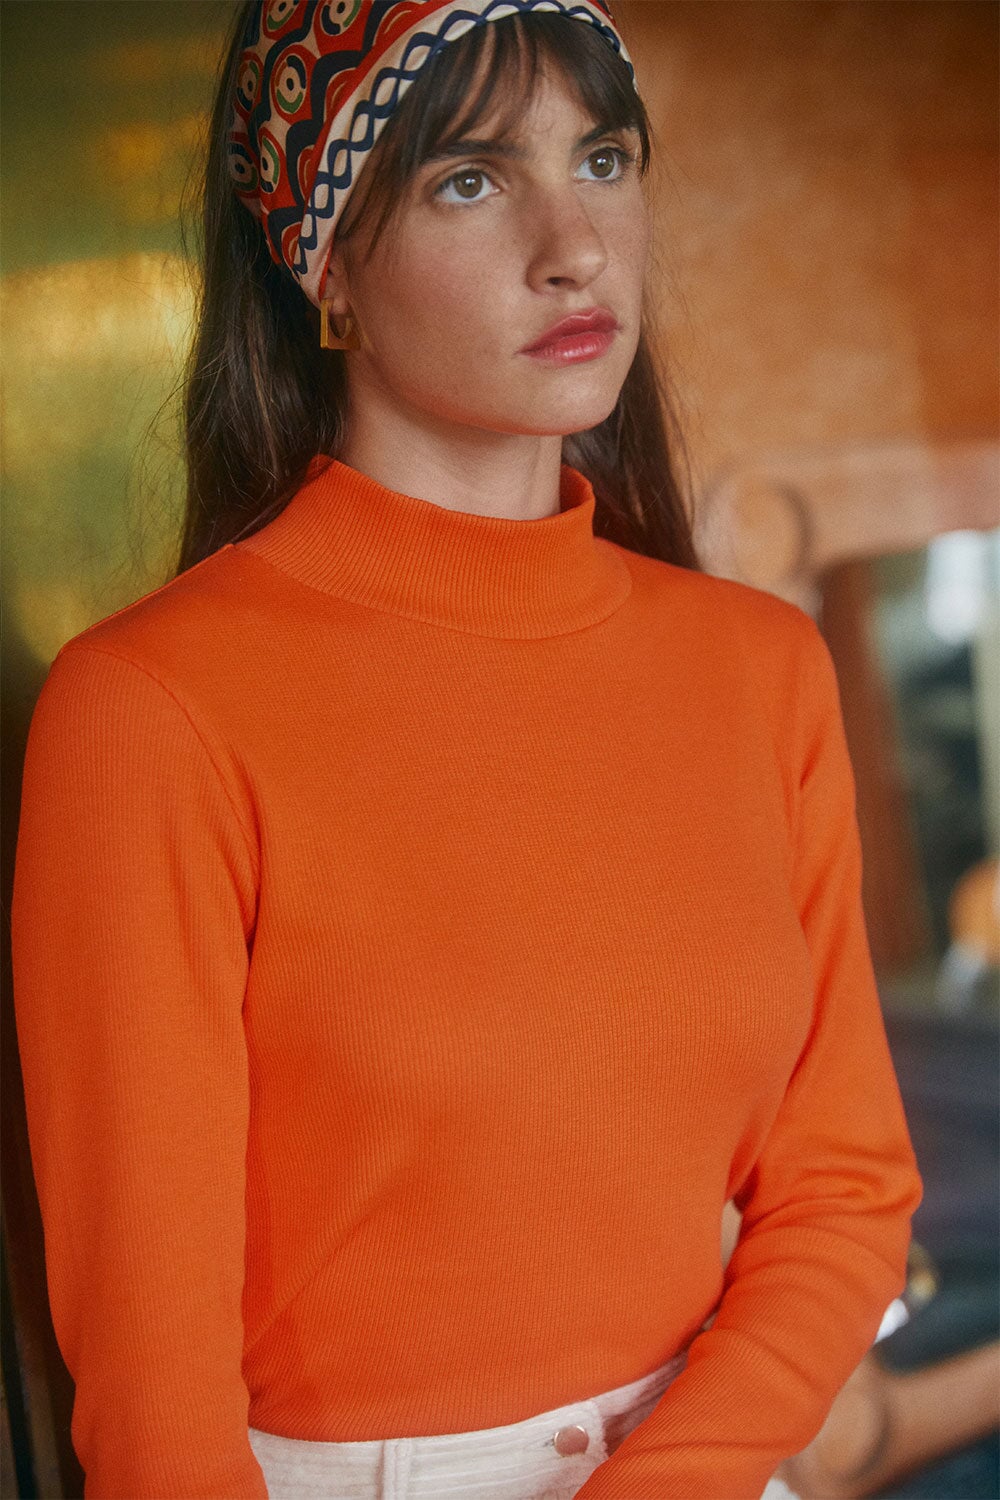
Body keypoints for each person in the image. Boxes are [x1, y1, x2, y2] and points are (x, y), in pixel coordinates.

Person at [10, 2, 923, 1497]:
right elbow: (154, 1398)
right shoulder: (155, 708)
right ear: (328, 267)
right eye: (470, 179)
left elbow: (846, 1192)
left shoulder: (760, 668)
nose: (575, 248)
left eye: (603, 160)